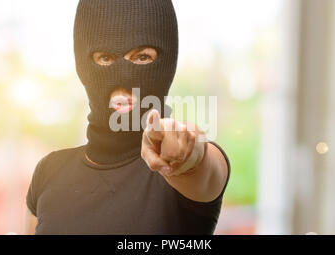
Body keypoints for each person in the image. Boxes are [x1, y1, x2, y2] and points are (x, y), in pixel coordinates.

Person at [24, 0, 230, 235]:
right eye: (104, 58)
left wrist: (185, 150)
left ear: (168, 62)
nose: (122, 76)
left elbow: (196, 157)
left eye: (142, 57)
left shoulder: (177, 167)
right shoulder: (49, 172)